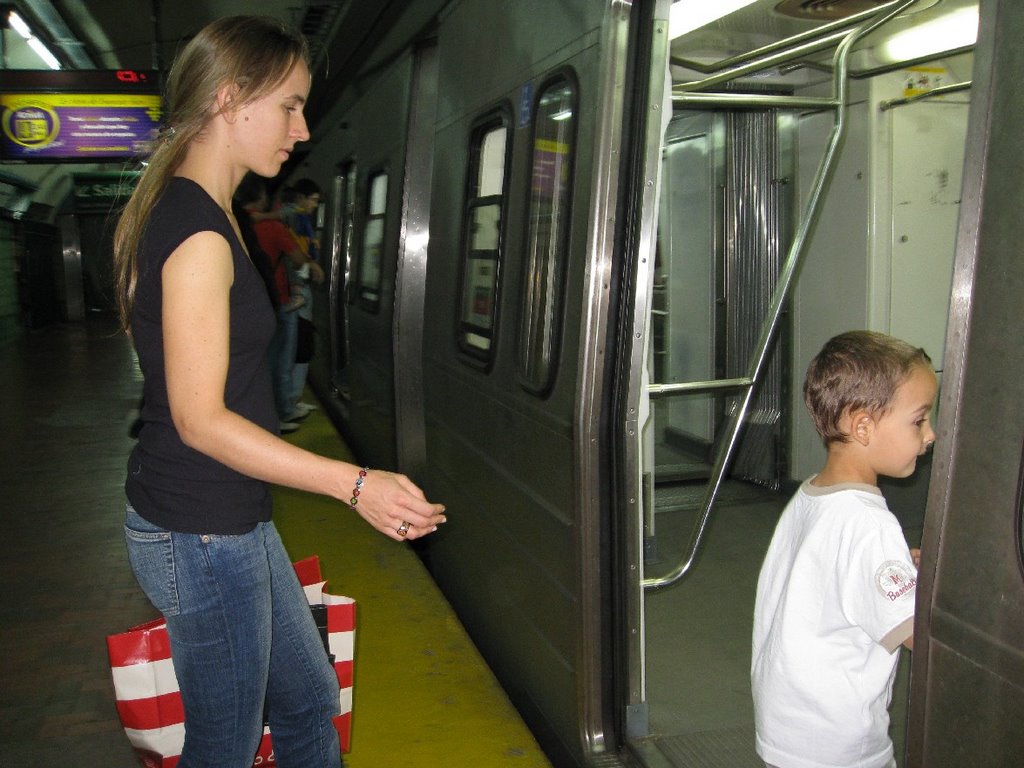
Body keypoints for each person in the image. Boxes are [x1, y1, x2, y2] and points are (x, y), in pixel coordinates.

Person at [111, 16, 447, 768]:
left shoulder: (191, 209)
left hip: (222, 516)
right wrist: (353, 484)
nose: (300, 130)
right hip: (201, 528)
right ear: (231, 100)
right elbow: (198, 419)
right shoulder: (198, 231)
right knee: (225, 747)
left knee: (305, 702)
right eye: (290, 106)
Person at [751, 330, 936, 768]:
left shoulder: (812, 495)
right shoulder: (870, 525)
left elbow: (833, 579)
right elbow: (918, 633)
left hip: (789, 728)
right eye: (919, 420)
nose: (931, 434)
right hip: (839, 746)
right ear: (863, 425)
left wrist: (899, 573)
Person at [236, 174, 321, 432]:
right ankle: (283, 411)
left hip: (249, 302)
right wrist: (312, 265)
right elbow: (296, 258)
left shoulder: (236, 223)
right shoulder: (273, 226)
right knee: (281, 361)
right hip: (280, 301)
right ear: (261, 196)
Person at [281, 178, 322, 417]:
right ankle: (289, 403)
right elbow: (293, 254)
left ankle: (293, 399)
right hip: (297, 288)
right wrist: (310, 263)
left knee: (298, 346)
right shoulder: (292, 217)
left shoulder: (297, 219)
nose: (315, 205)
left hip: (299, 286)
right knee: (297, 347)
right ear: (301, 198)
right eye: (313, 200)